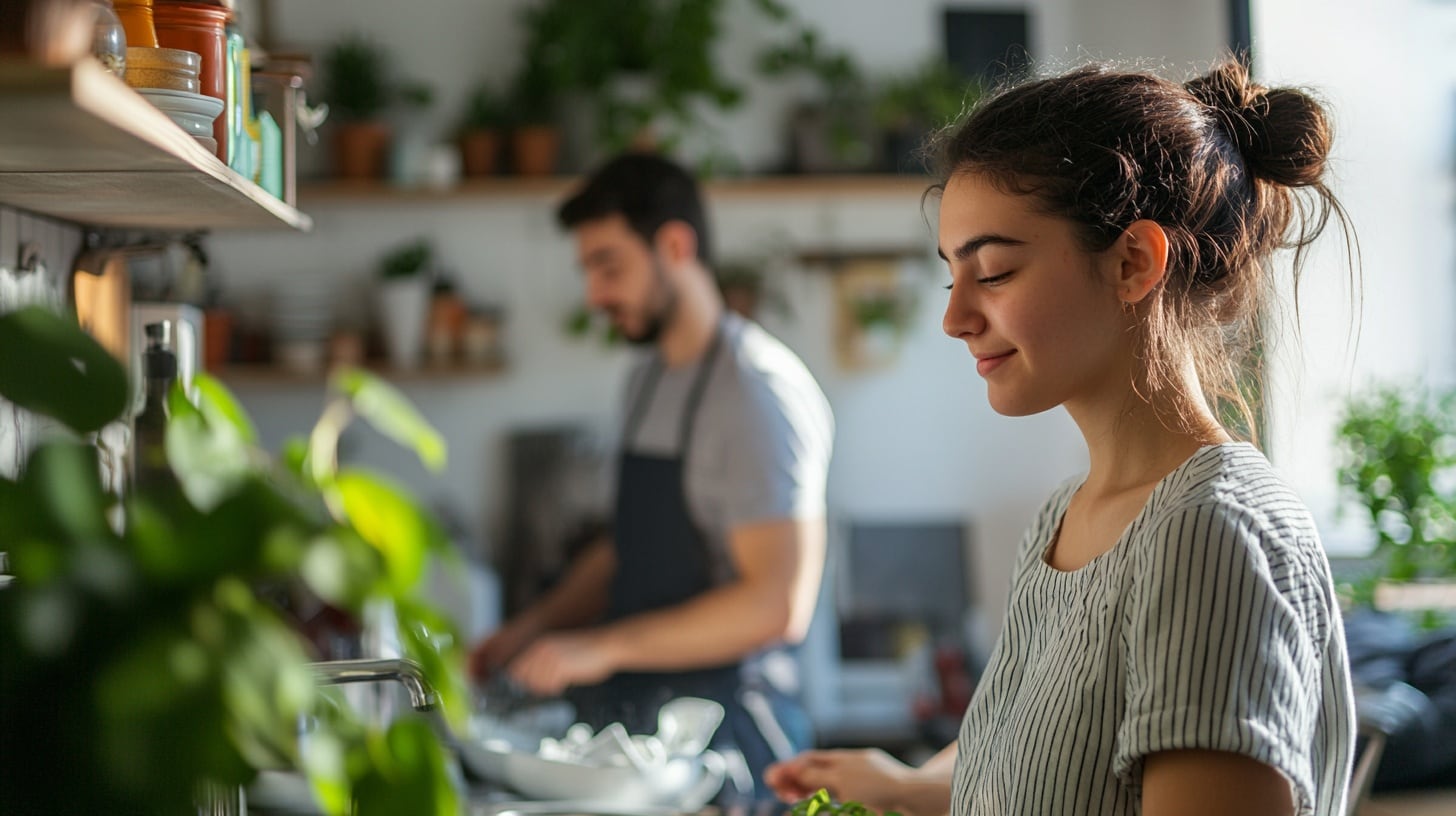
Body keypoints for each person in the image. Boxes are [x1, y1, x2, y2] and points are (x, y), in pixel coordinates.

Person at [767, 57, 1356, 816]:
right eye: (953, 278)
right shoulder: (1064, 521)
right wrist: (907, 787)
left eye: (997, 272)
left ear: (1133, 262)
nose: (956, 319)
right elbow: (1058, 769)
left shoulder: (1209, 532)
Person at [469, 152, 835, 802]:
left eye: (609, 266)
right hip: (638, 732)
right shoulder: (646, 379)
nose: (595, 294)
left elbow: (778, 605)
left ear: (674, 245)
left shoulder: (755, 391)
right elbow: (629, 544)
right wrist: (529, 631)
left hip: (725, 743)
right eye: (588, 270)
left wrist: (601, 647)